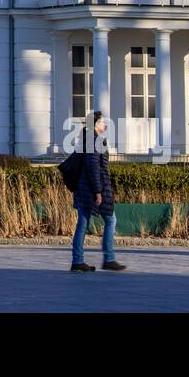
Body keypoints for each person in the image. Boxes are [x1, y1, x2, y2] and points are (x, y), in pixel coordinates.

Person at [71, 111, 126, 272]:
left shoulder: (87, 140)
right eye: (103, 122)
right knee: (110, 220)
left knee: (83, 222)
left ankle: (78, 261)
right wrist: (98, 191)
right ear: (96, 125)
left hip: (84, 189)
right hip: (93, 190)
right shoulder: (95, 141)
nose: (106, 125)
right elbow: (93, 167)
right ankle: (108, 259)